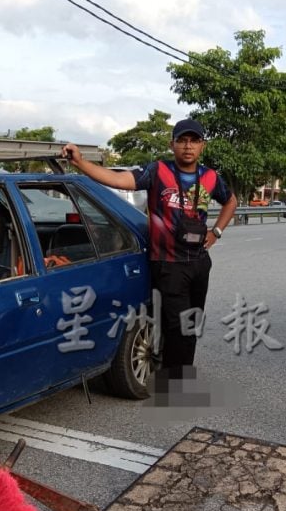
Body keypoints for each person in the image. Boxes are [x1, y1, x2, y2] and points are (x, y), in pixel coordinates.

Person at [62, 119, 238, 375]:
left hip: (199, 262)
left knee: (190, 324)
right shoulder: (157, 172)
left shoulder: (210, 177)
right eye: (182, 140)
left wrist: (217, 231)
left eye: (194, 141)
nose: (188, 146)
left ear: (202, 146)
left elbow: (230, 201)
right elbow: (117, 179)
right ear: (172, 144)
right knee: (177, 326)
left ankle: (178, 374)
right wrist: (80, 163)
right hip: (168, 263)